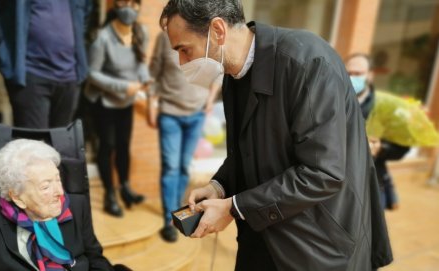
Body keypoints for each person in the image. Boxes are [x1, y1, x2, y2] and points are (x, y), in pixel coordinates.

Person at [159, 0, 392, 270]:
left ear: (218, 31)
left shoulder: (307, 62)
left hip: (317, 245)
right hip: (264, 233)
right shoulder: (234, 76)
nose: (181, 62)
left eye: (185, 50)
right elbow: (245, 152)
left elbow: (323, 173)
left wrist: (234, 208)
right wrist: (219, 186)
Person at [0, 139, 114, 271]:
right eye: (45, 187)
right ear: (17, 198)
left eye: (58, 180)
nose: (60, 192)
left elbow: (95, 259)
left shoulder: (76, 206)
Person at [148, 31, 221, 242]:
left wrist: (211, 98)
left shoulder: (206, 36)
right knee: (171, 167)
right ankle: (167, 218)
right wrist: (153, 104)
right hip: (170, 112)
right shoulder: (165, 38)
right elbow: (154, 71)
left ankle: (178, 210)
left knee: (182, 166)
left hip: (196, 114)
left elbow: (218, 69)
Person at [85, 0, 148, 217]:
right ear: (115, 5)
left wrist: (145, 81)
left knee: (123, 146)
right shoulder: (103, 38)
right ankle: (109, 195)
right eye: (124, 2)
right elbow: (92, 74)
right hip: (105, 102)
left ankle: (126, 189)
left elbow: (141, 63)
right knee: (108, 146)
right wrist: (124, 86)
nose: (129, 8)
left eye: (134, 3)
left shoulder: (140, 32)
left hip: (126, 102)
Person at [0, 0, 92, 128]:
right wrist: (4, 56)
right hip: (31, 75)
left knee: (60, 145)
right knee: (34, 145)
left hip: (70, 76)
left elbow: (84, 17)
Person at [345, 53, 410, 210]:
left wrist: (381, 148)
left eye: (358, 73)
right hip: (335, 182)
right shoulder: (331, 99)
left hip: (368, 184)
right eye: (348, 73)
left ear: (370, 75)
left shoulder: (386, 107)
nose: (352, 77)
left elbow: (401, 147)